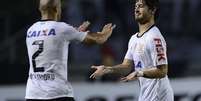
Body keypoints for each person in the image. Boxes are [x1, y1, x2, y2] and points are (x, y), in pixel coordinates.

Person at [25, 0, 115, 101]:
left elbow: (51, 39)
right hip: (57, 93)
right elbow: (99, 40)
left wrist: (74, 32)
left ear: (40, 9)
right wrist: (105, 33)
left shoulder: (31, 30)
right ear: (57, 10)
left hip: (32, 94)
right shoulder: (62, 28)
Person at [90, 0, 174, 101]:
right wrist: (107, 69)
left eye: (141, 6)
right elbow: (126, 66)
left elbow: (162, 71)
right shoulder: (134, 39)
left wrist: (139, 73)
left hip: (159, 95)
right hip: (146, 95)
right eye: (136, 6)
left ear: (152, 10)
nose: (136, 9)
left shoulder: (155, 37)